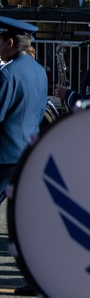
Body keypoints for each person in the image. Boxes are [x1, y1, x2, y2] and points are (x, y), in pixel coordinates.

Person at [0, 17, 47, 205]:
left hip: (6, 154)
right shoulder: (39, 70)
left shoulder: (7, 73)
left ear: (10, 42)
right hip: (28, 149)